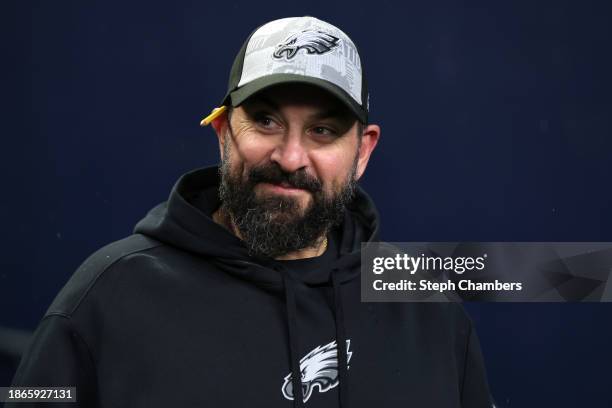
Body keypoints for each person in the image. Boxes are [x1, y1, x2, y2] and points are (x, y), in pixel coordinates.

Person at [9, 16, 493, 408]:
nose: (289, 156)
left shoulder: (428, 312)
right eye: (265, 121)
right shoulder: (107, 295)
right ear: (223, 132)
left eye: (323, 131)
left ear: (363, 152)